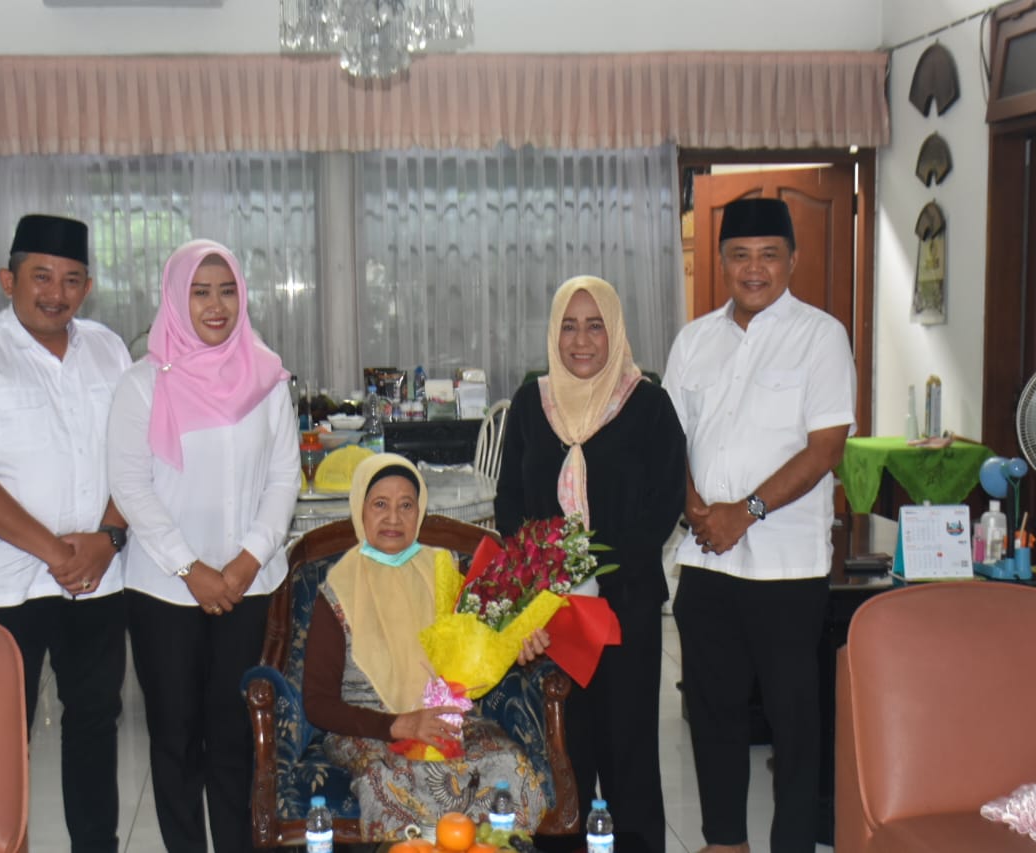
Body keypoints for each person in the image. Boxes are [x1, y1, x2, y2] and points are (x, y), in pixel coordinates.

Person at [0, 213, 132, 853]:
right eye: (41, 276)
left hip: (97, 579)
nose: (56, 293)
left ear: (87, 287)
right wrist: (57, 553)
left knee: (95, 721)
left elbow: (136, 455)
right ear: (8, 279)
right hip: (3, 583)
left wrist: (107, 537)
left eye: (71, 280)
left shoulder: (108, 349)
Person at [663, 198, 856, 853]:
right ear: (721, 262)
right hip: (705, 563)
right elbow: (670, 441)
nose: (754, 268)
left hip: (787, 569)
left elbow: (825, 447)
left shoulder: (820, 336)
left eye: (769, 254)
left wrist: (743, 513)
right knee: (712, 715)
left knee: (794, 727)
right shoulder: (694, 340)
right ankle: (724, 843)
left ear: (792, 260)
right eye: (740, 255)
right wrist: (694, 507)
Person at [107, 239, 300, 852]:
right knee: (175, 739)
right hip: (164, 589)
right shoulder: (142, 384)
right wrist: (190, 568)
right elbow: (130, 486)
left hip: (248, 586)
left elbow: (283, 478)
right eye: (199, 292)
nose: (216, 306)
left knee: (236, 738)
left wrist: (245, 562)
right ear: (174, 298)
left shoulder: (267, 378)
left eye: (227, 290)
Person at [495, 276, 686, 853]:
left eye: (595, 326)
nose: (581, 341)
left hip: (624, 607)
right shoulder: (532, 403)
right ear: (554, 335)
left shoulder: (647, 404)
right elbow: (509, 500)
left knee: (629, 754)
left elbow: (664, 502)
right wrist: (545, 576)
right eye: (569, 327)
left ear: (615, 331)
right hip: (550, 613)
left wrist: (595, 567)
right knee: (559, 754)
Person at [303, 452, 550, 839]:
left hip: (446, 721)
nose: (393, 518)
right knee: (388, 781)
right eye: (380, 504)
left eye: (406, 505)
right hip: (368, 730)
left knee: (508, 766)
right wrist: (398, 724)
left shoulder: (443, 570)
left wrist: (516, 646)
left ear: (419, 513)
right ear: (359, 509)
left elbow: (481, 644)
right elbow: (317, 703)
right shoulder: (337, 589)